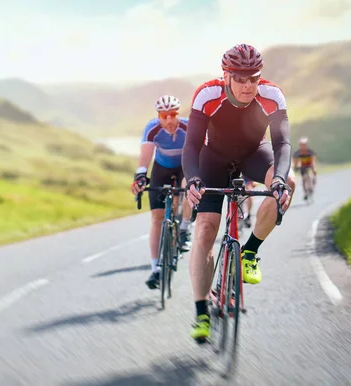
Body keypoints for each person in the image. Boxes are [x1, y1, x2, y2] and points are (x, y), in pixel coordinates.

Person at [181, 43, 296, 341]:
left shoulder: (272, 95)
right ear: (226, 75)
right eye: (240, 78)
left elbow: (282, 144)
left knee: (288, 181)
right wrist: (192, 178)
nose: (248, 85)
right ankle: (201, 311)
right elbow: (192, 144)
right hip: (214, 159)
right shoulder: (208, 94)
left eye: (254, 78)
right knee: (206, 229)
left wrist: (279, 180)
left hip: (253, 154)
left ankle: (250, 251)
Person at [131, 95, 193, 290]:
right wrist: (141, 176)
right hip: (162, 167)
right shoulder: (152, 129)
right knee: (157, 218)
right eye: (164, 116)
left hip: (185, 165)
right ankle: (156, 269)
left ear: (178, 114)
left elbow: (198, 153)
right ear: (158, 116)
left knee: (188, 185)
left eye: (173, 115)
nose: (169, 120)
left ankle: (184, 228)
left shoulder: (188, 127)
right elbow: (145, 156)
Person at [293, 137, 317, 201]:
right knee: (303, 179)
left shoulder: (310, 152)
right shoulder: (297, 153)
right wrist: (295, 167)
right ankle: (305, 193)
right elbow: (295, 162)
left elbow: (313, 161)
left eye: (304, 145)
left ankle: (312, 185)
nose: (303, 146)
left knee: (312, 176)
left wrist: (314, 168)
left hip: (310, 166)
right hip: (302, 167)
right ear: (300, 145)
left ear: (306, 145)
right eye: (301, 145)